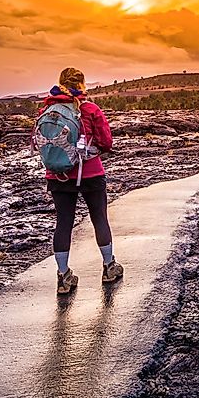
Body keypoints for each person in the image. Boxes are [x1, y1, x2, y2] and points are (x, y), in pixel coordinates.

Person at [39, 67, 123, 294]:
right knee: (99, 218)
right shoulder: (90, 109)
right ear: (82, 85)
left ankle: (63, 277)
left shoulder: (48, 110)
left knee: (64, 223)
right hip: (90, 173)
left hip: (58, 175)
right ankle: (108, 267)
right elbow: (106, 142)